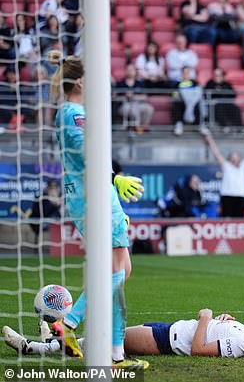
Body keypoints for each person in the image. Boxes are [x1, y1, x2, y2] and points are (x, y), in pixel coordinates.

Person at [46, 50, 147, 369]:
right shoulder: (73, 112)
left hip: (94, 198)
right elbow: (87, 154)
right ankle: (105, 349)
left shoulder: (73, 110)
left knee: (122, 270)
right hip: (94, 198)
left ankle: (79, 330)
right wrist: (115, 180)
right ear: (78, 82)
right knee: (116, 272)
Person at [3, 309, 244, 358]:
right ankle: (50, 341)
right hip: (167, 330)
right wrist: (221, 319)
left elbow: (199, 349)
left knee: (105, 337)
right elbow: (219, 333)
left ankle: (36, 348)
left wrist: (205, 317)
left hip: (166, 341)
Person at [203, 131, 244, 218]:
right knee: (226, 218)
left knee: (239, 219)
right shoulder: (226, 165)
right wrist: (209, 139)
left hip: (241, 195)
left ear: (239, 158)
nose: (234, 158)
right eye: (232, 157)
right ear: (229, 158)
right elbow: (216, 153)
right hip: (227, 194)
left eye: (236, 156)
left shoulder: (243, 164)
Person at [114, 64, 154, 132]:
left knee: (149, 108)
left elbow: (145, 97)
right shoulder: (120, 83)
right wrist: (126, 96)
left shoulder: (140, 83)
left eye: (131, 70)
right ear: (125, 71)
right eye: (128, 70)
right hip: (124, 105)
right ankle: (134, 128)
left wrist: (134, 96)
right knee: (132, 109)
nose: (130, 72)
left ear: (135, 71)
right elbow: (115, 97)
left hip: (138, 104)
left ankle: (142, 127)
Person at [172, 66, 205, 135]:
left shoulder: (194, 83)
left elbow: (199, 93)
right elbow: (174, 95)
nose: (186, 74)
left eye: (187, 73)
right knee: (176, 104)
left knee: (198, 104)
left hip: (193, 102)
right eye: (184, 73)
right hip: (182, 102)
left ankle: (200, 125)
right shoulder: (177, 84)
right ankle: (178, 125)